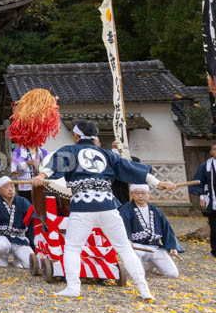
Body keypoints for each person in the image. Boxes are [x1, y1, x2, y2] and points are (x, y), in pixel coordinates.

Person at [32, 119, 176, 300]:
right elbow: (131, 168)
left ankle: (74, 287)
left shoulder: (70, 150)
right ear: (94, 138)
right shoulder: (106, 154)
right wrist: (158, 182)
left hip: (83, 207)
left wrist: (41, 175)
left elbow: (54, 166)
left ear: (76, 136)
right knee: (124, 248)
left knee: (73, 247)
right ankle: (144, 290)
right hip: (107, 206)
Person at [118, 184, 182, 278]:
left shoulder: (156, 210)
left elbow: (166, 229)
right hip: (136, 247)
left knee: (173, 274)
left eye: (143, 193)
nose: (140, 196)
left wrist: (172, 247)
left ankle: (151, 266)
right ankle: (141, 269)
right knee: (139, 275)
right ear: (132, 194)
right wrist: (126, 240)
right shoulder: (125, 209)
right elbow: (121, 227)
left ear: (148, 194)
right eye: (137, 193)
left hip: (154, 247)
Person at [0, 176, 36, 268]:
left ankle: (16, 260)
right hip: (1, 237)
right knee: (1, 246)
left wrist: (37, 237)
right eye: (6, 187)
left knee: (31, 264)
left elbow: (32, 217)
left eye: (12, 187)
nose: (10, 189)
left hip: (19, 239)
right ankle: (3, 258)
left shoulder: (22, 201)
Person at [188, 141, 216, 258]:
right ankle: (215, 250)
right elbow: (200, 182)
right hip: (212, 200)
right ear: (210, 152)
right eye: (214, 149)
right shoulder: (205, 166)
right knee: (214, 226)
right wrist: (202, 196)